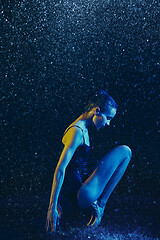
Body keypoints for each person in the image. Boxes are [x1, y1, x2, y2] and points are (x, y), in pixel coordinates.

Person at [45, 90, 132, 232]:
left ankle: (97, 204)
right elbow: (60, 170)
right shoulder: (77, 131)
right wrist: (52, 207)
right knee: (125, 152)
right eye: (108, 117)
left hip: (80, 188)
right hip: (80, 194)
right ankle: (101, 205)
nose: (108, 123)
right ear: (97, 110)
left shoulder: (83, 128)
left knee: (123, 153)